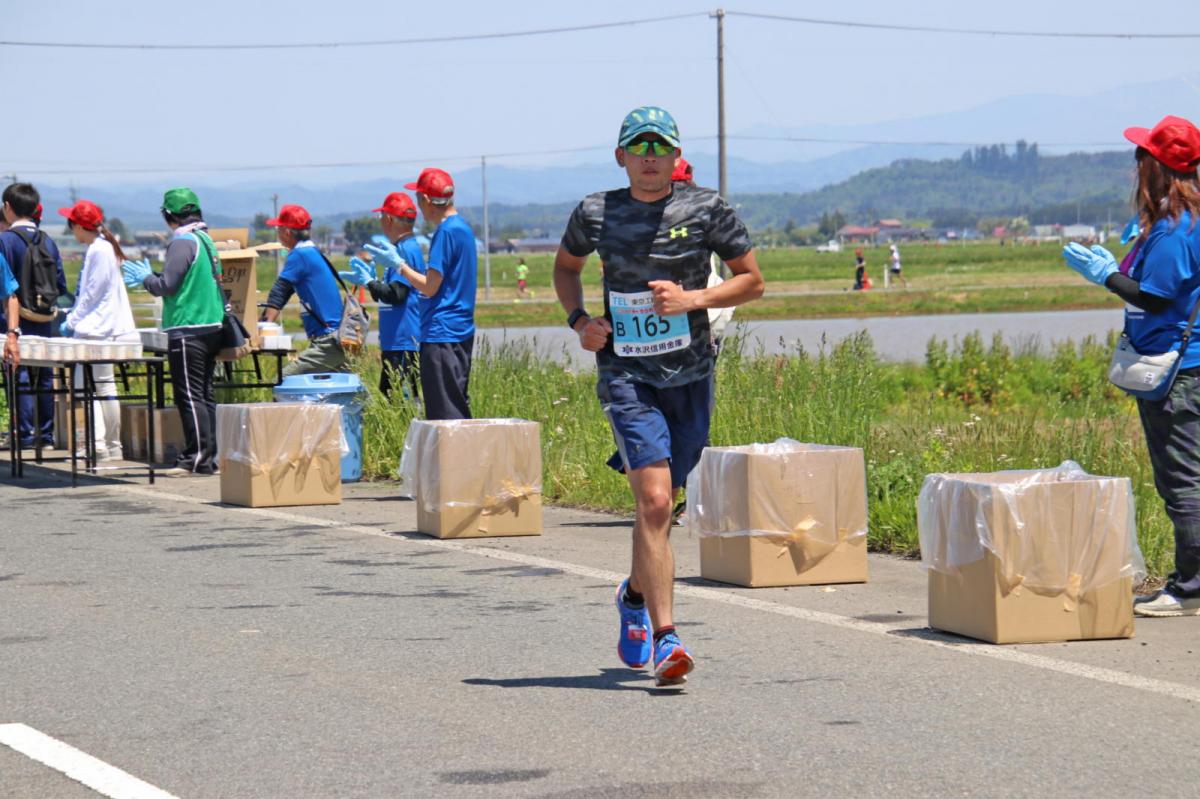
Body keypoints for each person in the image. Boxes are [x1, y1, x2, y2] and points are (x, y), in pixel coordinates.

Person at [554, 106, 764, 685]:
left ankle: (633, 593)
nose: (650, 158)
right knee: (651, 500)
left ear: (675, 157)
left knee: (667, 502)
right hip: (626, 373)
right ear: (621, 157)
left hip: (691, 376)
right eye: (638, 149)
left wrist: (693, 301)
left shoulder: (706, 208)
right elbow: (565, 268)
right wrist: (579, 322)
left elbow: (753, 280)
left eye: (660, 148)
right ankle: (667, 636)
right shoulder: (596, 212)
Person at [1062, 114, 1200, 617]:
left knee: (1181, 480)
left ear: (1158, 167)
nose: (1135, 166)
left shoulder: (1175, 232)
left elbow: (1157, 299)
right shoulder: (1172, 226)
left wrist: (1104, 276)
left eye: (1140, 158)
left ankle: (1190, 588)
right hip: (1185, 368)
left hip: (1176, 372)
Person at [122, 187, 224, 475]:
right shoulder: (205, 239)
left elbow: (167, 286)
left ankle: (196, 456)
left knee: (189, 395)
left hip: (188, 327)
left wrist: (146, 279)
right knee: (204, 394)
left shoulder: (182, 243)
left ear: (169, 215)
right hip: (211, 325)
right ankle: (207, 456)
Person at [366, 168, 477, 420]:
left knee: (444, 414)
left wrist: (400, 266)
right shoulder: (463, 229)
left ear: (426, 201)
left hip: (441, 333)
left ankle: (452, 459)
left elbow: (430, 286)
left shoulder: (445, 232)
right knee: (456, 403)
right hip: (461, 330)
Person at [58, 200, 139, 460]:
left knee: (90, 388)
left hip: (96, 330)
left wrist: (71, 321)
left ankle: (101, 444)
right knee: (103, 386)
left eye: (72, 225)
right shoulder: (104, 248)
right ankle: (110, 445)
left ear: (80, 226)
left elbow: (90, 294)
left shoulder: (97, 251)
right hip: (106, 328)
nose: (72, 231)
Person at [0, 182, 68, 448]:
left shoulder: (5, 240)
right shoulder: (48, 240)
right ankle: (47, 435)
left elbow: (6, 288)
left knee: (20, 375)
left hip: (12, 320)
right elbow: (61, 283)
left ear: (8, 207)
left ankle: (24, 434)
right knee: (45, 374)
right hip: (44, 317)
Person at [341, 193, 425, 401]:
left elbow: (397, 294)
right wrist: (373, 283)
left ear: (388, 219)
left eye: (381, 217)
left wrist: (371, 283)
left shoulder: (405, 250)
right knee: (392, 395)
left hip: (404, 341)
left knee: (399, 399)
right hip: (397, 340)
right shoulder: (402, 249)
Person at [261, 204, 349, 377]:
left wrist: (264, 327)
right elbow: (285, 292)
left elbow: (280, 291)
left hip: (328, 341)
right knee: (344, 393)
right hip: (338, 338)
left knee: (282, 382)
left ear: (286, 232)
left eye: (278, 229)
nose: (277, 234)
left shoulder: (298, 254)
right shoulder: (312, 251)